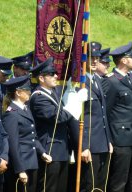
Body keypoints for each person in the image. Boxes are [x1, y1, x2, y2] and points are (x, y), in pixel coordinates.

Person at [29, 57, 86, 192]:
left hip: (61, 150)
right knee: (49, 187)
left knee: (61, 187)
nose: (55, 76)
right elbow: (58, 117)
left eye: (55, 73)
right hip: (49, 150)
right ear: (41, 78)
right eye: (51, 74)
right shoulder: (38, 97)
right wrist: (76, 102)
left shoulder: (53, 93)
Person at [102, 42, 132, 192]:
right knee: (119, 180)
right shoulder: (111, 81)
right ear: (124, 60)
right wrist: (108, 139)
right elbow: (105, 112)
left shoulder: (130, 78)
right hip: (120, 138)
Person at [2, 75, 52, 192]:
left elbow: (32, 137)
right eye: (27, 90)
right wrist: (20, 170)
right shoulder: (12, 114)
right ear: (18, 93)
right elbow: (13, 144)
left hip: (31, 161)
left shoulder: (25, 109)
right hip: (22, 164)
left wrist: (42, 152)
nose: (30, 92)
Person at [80, 41, 112, 192]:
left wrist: (108, 141)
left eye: (97, 58)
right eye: (91, 58)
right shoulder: (79, 83)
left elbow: (103, 114)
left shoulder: (97, 80)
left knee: (100, 185)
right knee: (89, 184)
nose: (94, 61)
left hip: (102, 142)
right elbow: (80, 118)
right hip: (90, 143)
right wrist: (84, 146)